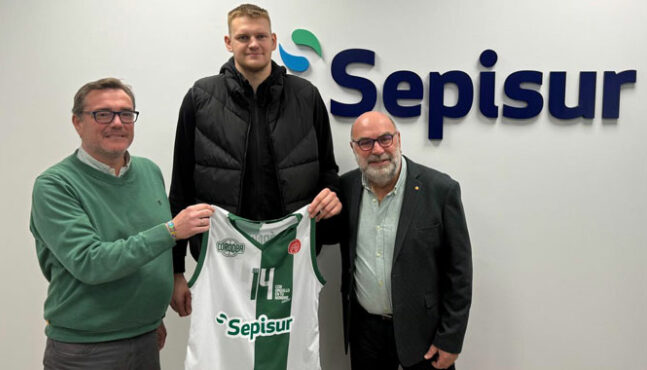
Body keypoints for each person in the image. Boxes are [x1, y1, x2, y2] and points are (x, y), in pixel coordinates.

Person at [168, 3, 341, 317]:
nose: (253, 44)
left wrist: (332, 196)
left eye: (261, 36)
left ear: (274, 41)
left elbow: (328, 170)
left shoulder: (306, 96)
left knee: (284, 354)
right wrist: (175, 269)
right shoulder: (200, 97)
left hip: (290, 256)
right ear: (228, 42)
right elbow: (180, 185)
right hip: (221, 256)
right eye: (243, 36)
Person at [30, 78, 213, 370]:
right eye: (103, 114)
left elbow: (152, 253)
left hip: (146, 338)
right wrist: (171, 231)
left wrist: (158, 307)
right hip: (86, 350)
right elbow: (90, 262)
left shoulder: (149, 171)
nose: (117, 123)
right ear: (77, 122)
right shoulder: (55, 185)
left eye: (126, 114)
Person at [334, 111, 472, 369]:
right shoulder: (346, 188)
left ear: (398, 139)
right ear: (353, 148)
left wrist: (451, 338)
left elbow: (459, 273)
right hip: (365, 334)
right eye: (365, 143)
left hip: (425, 336)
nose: (377, 150)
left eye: (385, 139)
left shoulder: (440, 190)